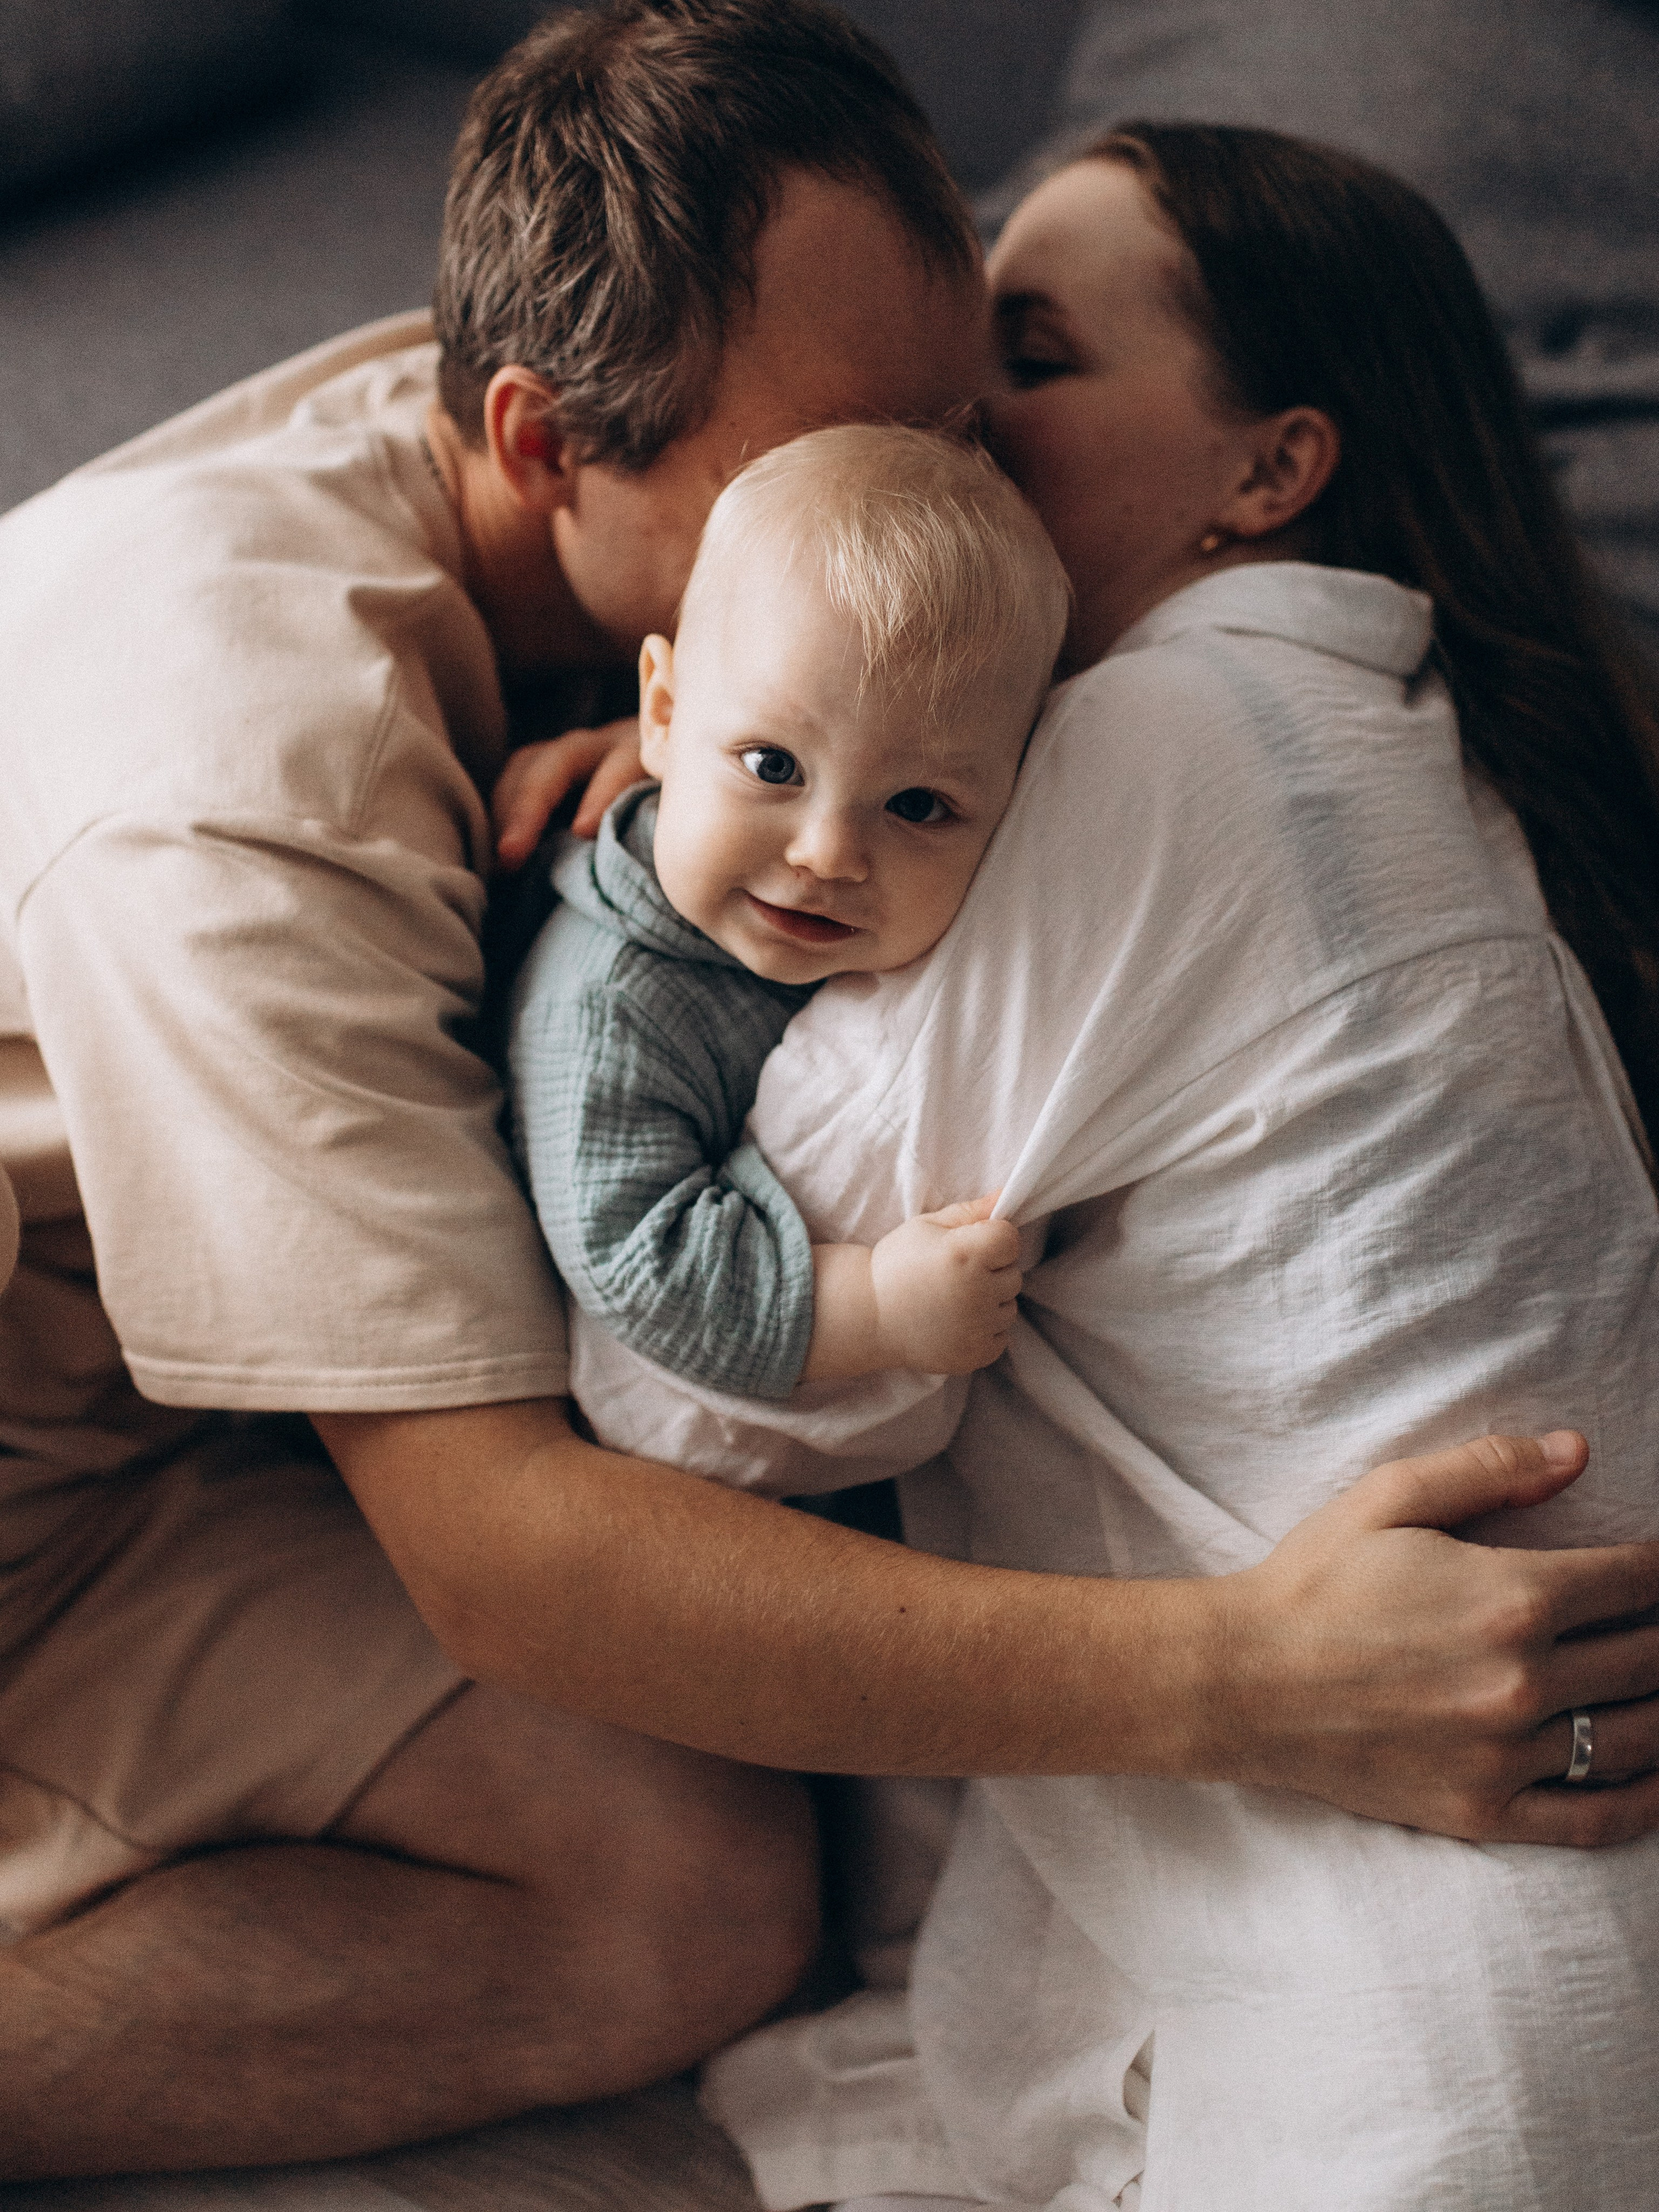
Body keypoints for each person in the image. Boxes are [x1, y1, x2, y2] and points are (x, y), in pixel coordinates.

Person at [0, 5, 1656, 2178]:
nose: (945, 516)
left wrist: (713, 754)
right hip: (41, 1476)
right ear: (539, 440)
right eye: (864, 462)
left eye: (966, 415)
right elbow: (511, 1549)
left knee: (738, 1821)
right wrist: (1255, 1679)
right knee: (678, 1894)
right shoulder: (238, 797)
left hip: (186, 1381)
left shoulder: (634, 512)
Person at [672, 126, 1659, 2209]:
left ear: (1270, 469)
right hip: (1498, 1964)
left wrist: (683, 829)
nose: (953, 409)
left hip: (1410, 2035)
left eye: (1033, 356)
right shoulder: (1439, 746)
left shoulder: (1166, 751)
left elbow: (692, 1380)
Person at [510, 424, 1066, 1411]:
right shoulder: (609, 1002)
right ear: (663, 716)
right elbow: (637, 1261)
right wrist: (876, 1309)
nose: (829, 853)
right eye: (773, 766)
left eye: (917, 805)